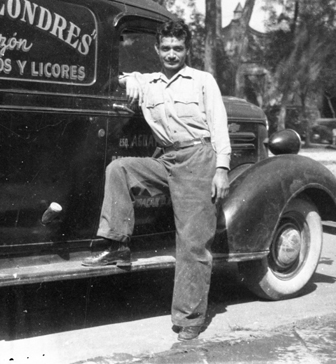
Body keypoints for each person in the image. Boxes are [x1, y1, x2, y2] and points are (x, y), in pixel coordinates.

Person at [81, 19, 230, 342]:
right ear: (157, 50)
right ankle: (117, 243)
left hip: (198, 159)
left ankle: (190, 318)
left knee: (192, 243)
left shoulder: (203, 81)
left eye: (178, 48)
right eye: (166, 48)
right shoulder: (150, 83)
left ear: (187, 49)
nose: (172, 54)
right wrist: (130, 78)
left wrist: (222, 169)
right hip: (167, 159)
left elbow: (219, 127)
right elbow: (119, 79)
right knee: (120, 169)